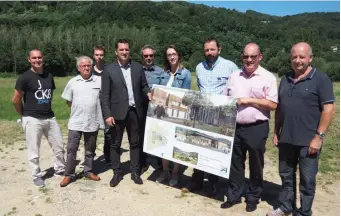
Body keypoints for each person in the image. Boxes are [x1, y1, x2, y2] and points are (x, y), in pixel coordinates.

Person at [266, 42, 335, 216]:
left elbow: (328, 109)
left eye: (302, 56)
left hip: (309, 142)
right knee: (286, 176)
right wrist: (276, 130)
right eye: (294, 57)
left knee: (307, 181)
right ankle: (286, 206)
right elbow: (280, 108)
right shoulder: (286, 78)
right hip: (286, 139)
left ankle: (304, 212)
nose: (298, 60)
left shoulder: (321, 79)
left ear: (310, 58)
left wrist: (318, 137)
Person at [220, 43, 278, 212]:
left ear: (260, 57)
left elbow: (273, 104)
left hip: (256, 127)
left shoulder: (268, 77)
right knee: (235, 163)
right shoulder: (234, 76)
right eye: (246, 56)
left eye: (253, 56)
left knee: (256, 164)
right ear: (242, 57)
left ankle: (253, 196)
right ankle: (234, 195)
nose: (249, 59)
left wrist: (248, 100)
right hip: (235, 126)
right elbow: (224, 99)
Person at [182, 37, 238, 196]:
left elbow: (236, 89)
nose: (209, 52)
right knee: (199, 144)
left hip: (221, 116)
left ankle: (213, 182)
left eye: (212, 49)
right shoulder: (199, 67)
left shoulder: (230, 66)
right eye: (206, 50)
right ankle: (196, 180)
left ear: (219, 49)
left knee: (216, 148)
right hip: (202, 115)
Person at [12, 49, 66, 188]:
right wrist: (23, 115)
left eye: (39, 57)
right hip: (32, 118)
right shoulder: (24, 77)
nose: (37, 60)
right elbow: (16, 100)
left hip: (49, 117)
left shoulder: (49, 76)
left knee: (59, 146)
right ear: (29, 60)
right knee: (34, 150)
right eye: (34, 58)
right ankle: (36, 175)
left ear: (43, 59)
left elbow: (49, 95)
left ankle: (60, 170)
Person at [101, 39, 151, 187]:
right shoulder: (109, 69)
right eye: (121, 49)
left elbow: (144, 85)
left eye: (126, 49)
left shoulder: (137, 67)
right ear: (116, 51)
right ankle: (117, 172)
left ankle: (135, 171)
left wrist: (148, 93)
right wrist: (107, 115)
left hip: (135, 112)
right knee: (115, 144)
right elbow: (105, 95)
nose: (124, 52)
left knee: (135, 143)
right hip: (116, 113)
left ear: (129, 51)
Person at [59, 56, 103, 187]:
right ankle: (69, 175)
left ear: (91, 66)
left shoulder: (99, 81)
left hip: (92, 121)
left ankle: (88, 171)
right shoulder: (72, 82)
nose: (86, 68)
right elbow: (69, 101)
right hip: (76, 122)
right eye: (83, 66)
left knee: (90, 150)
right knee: (71, 150)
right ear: (78, 68)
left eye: (88, 65)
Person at [155, 45, 191, 187]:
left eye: (174, 54)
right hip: (163, 115)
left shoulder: (186, 73)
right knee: (163, 142)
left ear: (179, 55)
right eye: (169, 54)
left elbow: (187, 96)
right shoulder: (163, 73)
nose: (172, 57)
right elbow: (158, 92)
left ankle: (175, 173)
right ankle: (165, 171)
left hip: (178, 114)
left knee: (177, 144)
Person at [140, 45, 163, 173]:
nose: (148, 58)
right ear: (142, 57)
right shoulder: (137, 70)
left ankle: (160, 162)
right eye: (146, 56)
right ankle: (143, 162)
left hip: (155, 108)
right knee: (142, 134)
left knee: (157, 133)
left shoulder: (160, 71)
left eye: (151, 56)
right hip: (141, 106)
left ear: (154, 56)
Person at [91, 45, 112, 166]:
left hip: (106, 107)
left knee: (108, 133)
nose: (99, 57)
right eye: (97, 55)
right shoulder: (90, 71)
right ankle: (90, 157)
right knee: (92, 133)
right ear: (94, 56)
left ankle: (108, 156)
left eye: (101, 55)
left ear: (104, 55)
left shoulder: (108, 70)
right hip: (93, 106)